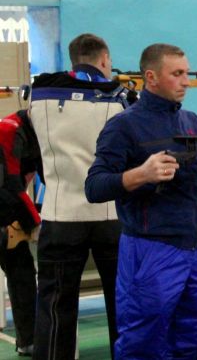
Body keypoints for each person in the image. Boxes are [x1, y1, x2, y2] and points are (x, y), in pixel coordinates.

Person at [84, 43, 197, 358]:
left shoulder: (191, 122)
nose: (186, 81)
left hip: (196, 247)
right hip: (151, 248)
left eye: (186, 73)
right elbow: (94, 187)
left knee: (193, 338)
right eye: (177, 74)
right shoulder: (124, 126)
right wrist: (142, 173)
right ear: (151, 77)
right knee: (142, 341)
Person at [29, 33, 130, 359]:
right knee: (122, 305)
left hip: (61, 213)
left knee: (54, 306)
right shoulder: (119, 99)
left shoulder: (40, 94)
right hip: (110, 215)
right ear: (104, 59)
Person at [0, 109, 42, 356]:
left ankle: (28, 340)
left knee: (22, 274)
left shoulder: (37, 129)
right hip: (5, 205)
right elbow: (11, 184)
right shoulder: (9, 130)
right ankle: (28, 340)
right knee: (21, 274)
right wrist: (35, 222)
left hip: (8, 206)